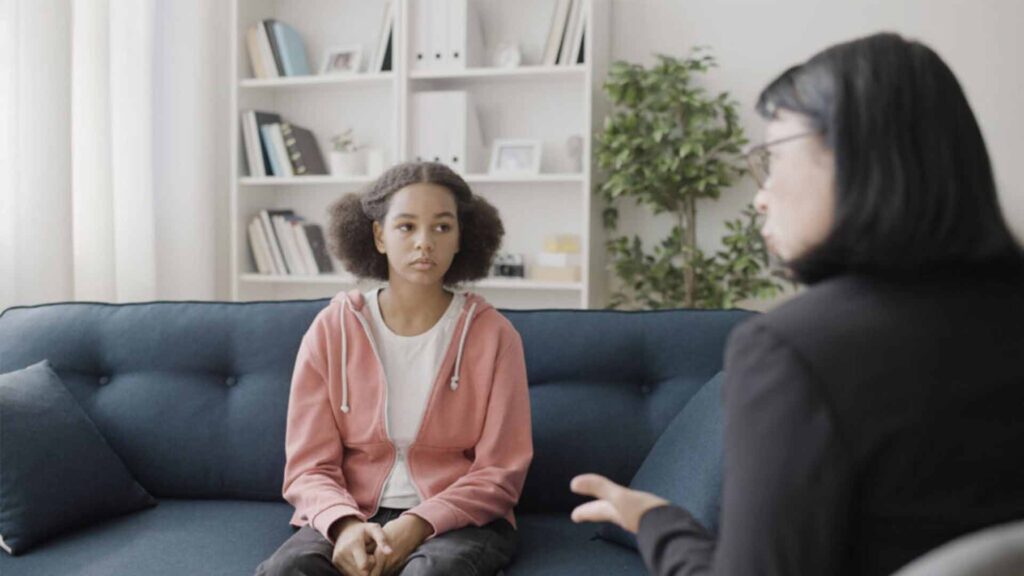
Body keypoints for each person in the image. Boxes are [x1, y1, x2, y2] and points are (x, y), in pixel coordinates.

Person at [570, 32, 1024, 576]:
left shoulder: (796, 350)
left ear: (855, 156)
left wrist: (658, 524)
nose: (760, 194)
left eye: (771, 157)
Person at [256, 161, 533, 576]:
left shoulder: (494, 335)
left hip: (458, 518)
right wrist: (346, 525)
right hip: (353, 512)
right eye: (406, 227)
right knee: (286, 571)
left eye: (442, 227)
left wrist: (417, 524)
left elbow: (500, 473)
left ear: (462, 238)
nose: (425, 243)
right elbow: (308, 467)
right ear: (379, 235)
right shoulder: (333, 329)